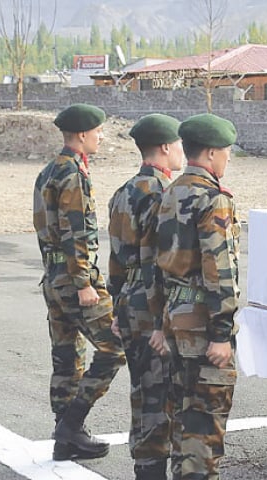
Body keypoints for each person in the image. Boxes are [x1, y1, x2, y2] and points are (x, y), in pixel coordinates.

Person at [33, 103, 126, 461]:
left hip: (54, 277)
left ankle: (66, 438)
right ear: (83, 134)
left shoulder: (48, 171)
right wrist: (85, 282)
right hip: (74, 279)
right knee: (114, 347)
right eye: (99, 131)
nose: (101, 136)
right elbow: (75, 231)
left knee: (67, 356)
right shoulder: (72, 173)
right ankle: (71, 425)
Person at [156, 113, 240, 480]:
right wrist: (222, 334)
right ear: (209, 154)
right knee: (204, 428)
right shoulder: (213, 200)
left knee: (182, 421)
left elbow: (156, 264)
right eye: (225, 152)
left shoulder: (171, 191)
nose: (227, 159)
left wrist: (162, 323)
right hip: (203, 325)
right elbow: (219, 271)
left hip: (175, 318)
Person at [108, 114, 185, 480]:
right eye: (179, 144)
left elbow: (115, 258)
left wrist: (115, 306)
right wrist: (163, 320)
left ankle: (144, 466)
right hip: (152, 305)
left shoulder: (122, 192)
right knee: (159, 396)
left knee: (142, 391)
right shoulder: (162, 194)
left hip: (128, 302)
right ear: (167, 147)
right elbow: (161, 262)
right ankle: (151, 471)